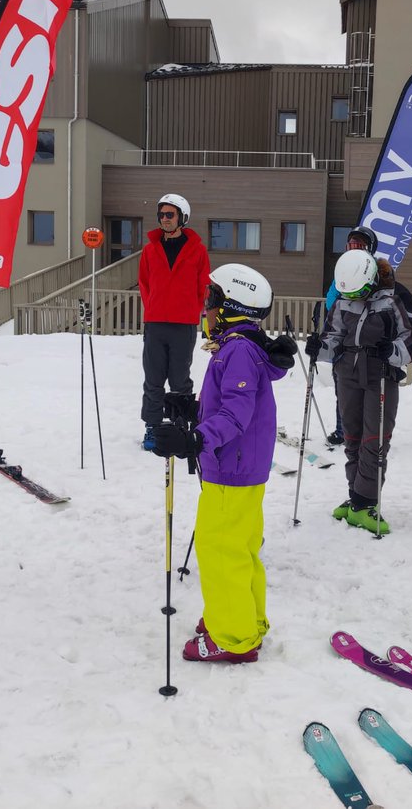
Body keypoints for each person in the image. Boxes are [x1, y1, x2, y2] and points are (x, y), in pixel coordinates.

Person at [151, 264, 295, 663]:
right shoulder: (238, 347)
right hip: (240, 466)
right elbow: (228, 404)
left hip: (232, 468)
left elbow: (236, 414)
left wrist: (195, 438)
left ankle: (233, 638)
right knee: (241, 549)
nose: (205, 309)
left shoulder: (238, 351)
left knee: (220, 551)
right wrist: (193, 409)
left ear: (231, 307)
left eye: (211, 300)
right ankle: (242, 618)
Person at [307, 250, 412, 535]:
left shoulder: (391, 301)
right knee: (352, 437)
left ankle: (366, 502)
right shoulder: (343, 301)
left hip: (380, 374)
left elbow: (410, 336)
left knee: (374, 438)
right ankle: (356, 495)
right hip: (348, 374)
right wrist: (319, 347)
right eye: (349, 294)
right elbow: (333, 336)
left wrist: (391, 350)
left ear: (371, 281)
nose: (353, 299)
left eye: (358, 293)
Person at [321, 226, 412, 445]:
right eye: (351, 245)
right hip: (346, 348)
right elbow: (332, 301)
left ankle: (369, 440)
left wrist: (393, 349)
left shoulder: (381, 281)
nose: (354, 249)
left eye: (360, 245)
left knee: (371, 407)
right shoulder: (343, 275)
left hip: (375, 360)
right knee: (344, 392)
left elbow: (409, 328)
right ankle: (343, 430)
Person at [138, 193, 211, 451]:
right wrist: (154, 307)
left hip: (183, 325)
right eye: (161, 214)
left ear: (182, 217)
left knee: (180, 380)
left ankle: (181, 424)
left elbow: (204, 286)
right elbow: (144, 283)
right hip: (156, 324)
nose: (165, 219)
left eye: (170, 214)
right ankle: (153, 426)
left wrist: (192, 310)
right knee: (153, 379)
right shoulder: (150, 250)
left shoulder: (198, 250)